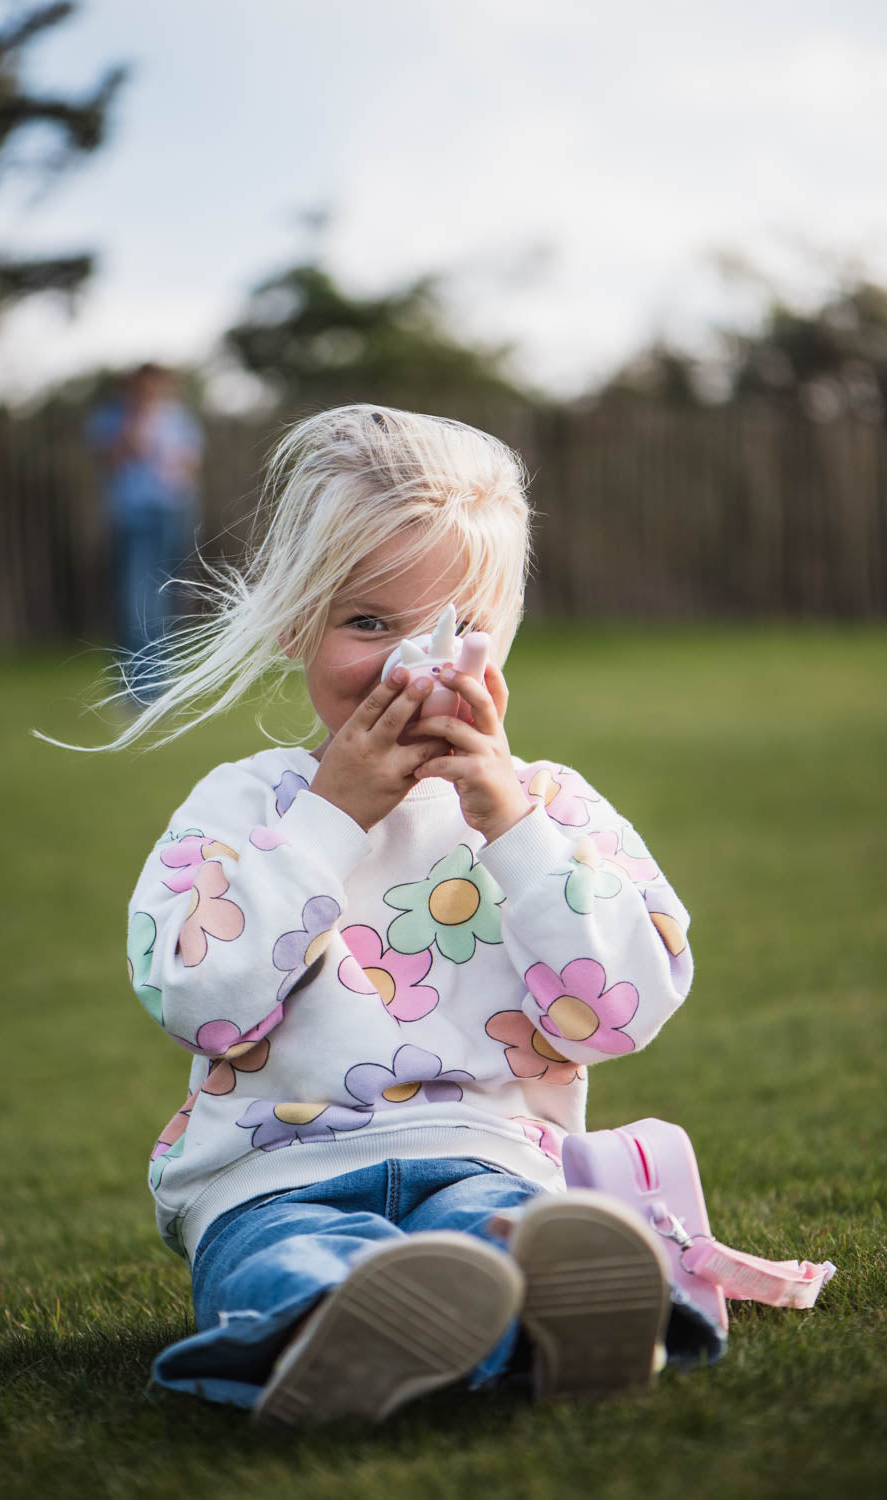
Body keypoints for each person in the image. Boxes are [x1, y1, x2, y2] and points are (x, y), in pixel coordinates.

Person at [120, 404, 695, 1424]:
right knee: (286, 1257)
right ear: (296, 622)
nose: (410, 667)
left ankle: (550, 1319)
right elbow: (201, 1006)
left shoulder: (552, 809)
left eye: (456, 630)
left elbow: (622, 1012)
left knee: (506, 1230)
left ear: (502, 639)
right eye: (368, 624)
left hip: (487, 1150)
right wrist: (329, 819)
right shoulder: (241, 808)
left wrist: (511, 827)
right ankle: (337, 1324)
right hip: (271, 1174)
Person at [87, 363, 202, 694]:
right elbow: (120, 455)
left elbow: (189, 465)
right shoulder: (114, 418)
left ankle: (161, 683)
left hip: (171, 514)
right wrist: (139, 416)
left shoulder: (178, 418)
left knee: (167, 599)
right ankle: (139, 686)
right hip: (134, 518)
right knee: (135, 599)